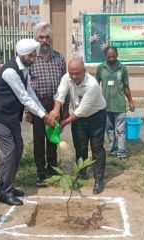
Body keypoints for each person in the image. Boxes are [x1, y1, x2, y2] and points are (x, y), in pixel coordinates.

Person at [0, 39, 55, 206]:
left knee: (19, 147)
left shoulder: (25, 69)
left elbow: (30, 92)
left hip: (10, 114)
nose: (34, 58)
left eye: (34, 55)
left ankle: (9, 184)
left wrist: (44, 113)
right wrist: (44, 117)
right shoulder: (10, 71)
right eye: (31, 55)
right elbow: (24, 97)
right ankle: (4, 192)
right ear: (22, 54)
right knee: (9, 150)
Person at [50, 58, 107, 194]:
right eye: (71, 73)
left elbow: (82, 110)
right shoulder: (66, 78)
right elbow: (61, 94)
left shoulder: (92, 85)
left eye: (77, 73)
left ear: (84, 71)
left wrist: (64, 122)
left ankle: (99, 180)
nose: (74, 76)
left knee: (96, 148)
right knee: (80, 146)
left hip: (96, 116)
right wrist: (56, 109)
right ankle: (81, 174)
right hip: (78, 118)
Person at [27, 22, 68, 186]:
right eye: (41, 37)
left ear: (51, 39)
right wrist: (27, 110)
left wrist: (64, 108)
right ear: (36, 39)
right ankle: (40, 173)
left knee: (53, 139)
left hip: (54, 106)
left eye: (47, 37)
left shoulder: (59, 57)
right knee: (38, 141)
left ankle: (53, 170)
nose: (44, 40)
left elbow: (65, 84)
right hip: (37, 106)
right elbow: (25, 86)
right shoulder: (30, 58)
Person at [95, 46, 135, 160]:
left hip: (119, 105)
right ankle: (113, 151)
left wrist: (131, 101)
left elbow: (126, 86)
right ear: (105, 56)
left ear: (117, 55)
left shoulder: (122, 68)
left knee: (120, 131)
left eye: (113, 56)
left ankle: (122, 153)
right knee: (110, 130)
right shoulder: (100, 68)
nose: (111, 58)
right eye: (109, 56)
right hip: (105, 106)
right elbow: (95, 85)